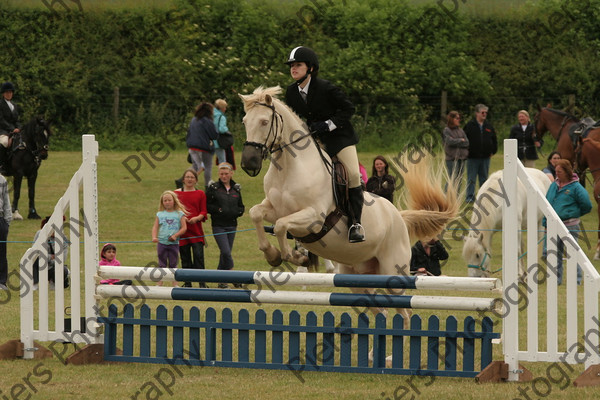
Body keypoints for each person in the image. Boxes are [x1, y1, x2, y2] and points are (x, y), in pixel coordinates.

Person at [284, 46, 365, 243]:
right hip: (313, 140)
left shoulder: (326, 88)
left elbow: (349, 108)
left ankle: (355, 223)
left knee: (353, 175)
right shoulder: (291, 93)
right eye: (292, 66)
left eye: (298, 65)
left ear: (310, 68)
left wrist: (328, 125)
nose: (293, 69)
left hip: (339, 138)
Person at [544, 159, 592, 285]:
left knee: (572, 253)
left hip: (570, 226)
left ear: (567, 172)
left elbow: (587, 204)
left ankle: (576, 280)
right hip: (553, 226)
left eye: (559, 171)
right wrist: (545, 223)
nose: (557, 174)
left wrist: (573, 214)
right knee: (554, 254)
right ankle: (556, 279)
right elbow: (546, 204)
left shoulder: (576, 187)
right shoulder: (553, 185)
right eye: (556, 171)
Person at [206, 162, 244, 288]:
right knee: (226, 252)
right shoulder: (214, 188)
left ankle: (221, 280)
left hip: (232, 225)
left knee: (224, 254)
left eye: (226, 174)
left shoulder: (236, 188)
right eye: (222, 174)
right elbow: (207, 205)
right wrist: (218, 210)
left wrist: (238, 212)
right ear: (219, 174)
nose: (224, 176)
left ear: (231, 174)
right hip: (218, 225)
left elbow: (241, 206)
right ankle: (233, 277)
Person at [175, 168, 208, 288]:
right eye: (187, 177)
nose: (189, 179)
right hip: (182, 231)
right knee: (185, 257)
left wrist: (197, 218)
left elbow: (204, 211)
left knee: (199, 256)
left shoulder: (200, 194)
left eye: (192, 177)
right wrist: (182, 219)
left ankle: (202, 283)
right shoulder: (176, 193)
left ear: (196, 180)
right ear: (183, 179)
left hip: (196, 230)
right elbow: (173, 211)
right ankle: (187, 283)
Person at [152, 190, 187, 287]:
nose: (167, 202)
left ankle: (175, 283)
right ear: (162, 202)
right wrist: (154, 237)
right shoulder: (160, 214)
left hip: (174, 243)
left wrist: (175, 235)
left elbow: (184, 228)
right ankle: (159, 283)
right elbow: (155, 227)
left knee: (173, 263)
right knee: (161, 263)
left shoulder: (179, 214)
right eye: (165, 201)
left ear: (174, 201)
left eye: (169, 200)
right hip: (162, 243)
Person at [464, 104, 497, 203]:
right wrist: (467, 152)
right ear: (477, 113)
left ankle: (483, 197)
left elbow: (494, 140)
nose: (484, 114)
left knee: (484, 179)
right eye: (482, 112)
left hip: (486, 157)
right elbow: (464, 140)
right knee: (471, 178)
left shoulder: (489, 126)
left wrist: (493, 151)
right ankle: (470, 197)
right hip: (472, 157)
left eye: (486, 113)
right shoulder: (469, 125)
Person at [32, 216, 70, 290]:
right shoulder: (40, 234)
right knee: (34, 259)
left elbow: (62, 258)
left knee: (63, 269)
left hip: (54, 266)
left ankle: (54, 280)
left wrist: (51, 260)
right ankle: (35, 283)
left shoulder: (63, 239)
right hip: (40, 264)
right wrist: (50, 257)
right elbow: (35, 252)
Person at [187, 102, 218, 188]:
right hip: (204, 147)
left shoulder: (194, 119)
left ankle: (184, 180)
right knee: (208, 166)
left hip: (192, 146)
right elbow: (214, 135)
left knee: (195, 166)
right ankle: (207, 185)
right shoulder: (208, 121)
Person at [442, 111, 469, 192]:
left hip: (462, 158)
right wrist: (461, 140)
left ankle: (456, 198)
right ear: (451, 119)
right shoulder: (446, 130)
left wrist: (457, 142)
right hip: (452, 159)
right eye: (457, 118)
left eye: (459, 118)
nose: (459, 120)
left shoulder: (461, 130)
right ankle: (446, 197)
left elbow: (467, 143)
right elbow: (449, 142)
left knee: (459, 180)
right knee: (452, 178)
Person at [0, 82, 21, 174]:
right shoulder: (0, 104)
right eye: (7, 92)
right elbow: (1, 120)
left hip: (14, 130)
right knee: (4, 142)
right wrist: (12, 129)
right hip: (3, 130)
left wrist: (19, 128)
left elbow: (16, 120)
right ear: (3, 93)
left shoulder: (14, 105)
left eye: (10, 92)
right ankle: (1, 165)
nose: (9, 94)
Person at [0, 172, 11, 290]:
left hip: (0, 219)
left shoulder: (2, 179)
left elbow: (6, 201)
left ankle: (2, 281)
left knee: (2, 252)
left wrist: (7, 222)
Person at [213, 99, 229, 165]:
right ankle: (223, 173)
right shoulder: (221, 117)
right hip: (218, 142)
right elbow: (222, 129)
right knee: (222, 160)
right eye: (224, 107)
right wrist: (227, 129)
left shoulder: (210, 115)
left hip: (208, 141)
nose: (225, 109)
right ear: (221, 108)